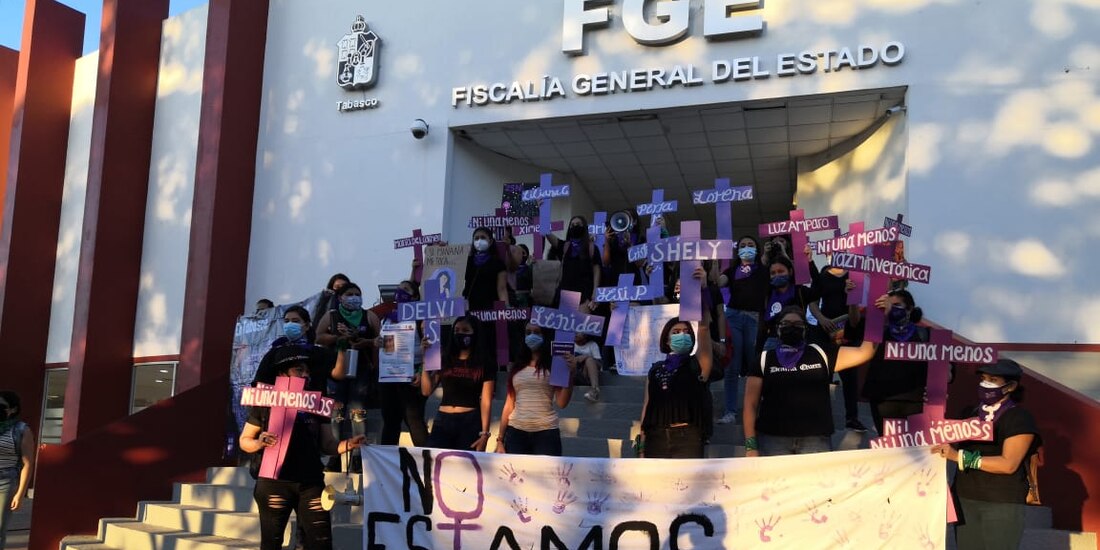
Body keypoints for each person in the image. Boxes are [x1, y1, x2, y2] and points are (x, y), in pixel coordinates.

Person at [239, 347, 365, 550]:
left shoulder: (318, 404)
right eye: (299, 370)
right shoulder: (265, 403)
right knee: (271, 545)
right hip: (274, 483)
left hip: (311, 482)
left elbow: (328, 445)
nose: (305, 375)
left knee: (321, 543)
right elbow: (245, 440)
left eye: (307, 371)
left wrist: (349, 444)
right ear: (282, 373)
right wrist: (259, 442)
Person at [931, 359, 1041, 550]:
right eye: (983, 378)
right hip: (965, 499)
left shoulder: (1019, 417)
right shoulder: (969, 412)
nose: (985, 384)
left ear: (1011, 386)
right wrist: (931, 403)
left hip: (1001, 502)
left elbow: (1009, 464)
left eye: (993, 380)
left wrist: (960, 457)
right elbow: (941, 439)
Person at [743, 306, 877, 456]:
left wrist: (877, 315)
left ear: (805, 329)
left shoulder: (821, 353)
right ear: (778, 329)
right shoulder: (764, 359)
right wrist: (750, 446)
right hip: (773, 440)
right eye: (786, 324)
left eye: (797, 325)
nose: (791, 328)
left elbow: (865, 352)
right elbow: (750, 405)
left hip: (815, 440)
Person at [636, 266, 714, 458]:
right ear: (667, 340)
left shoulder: (697, 365)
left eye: (686, 332)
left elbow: (704, 327)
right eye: (676, 332)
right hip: (655, 439)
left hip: (687, 440)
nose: (682, 335)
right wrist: (641, 445)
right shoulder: (655, 370)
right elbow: (647, 405)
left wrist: (703, 289)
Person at [315, 283, 382, 470]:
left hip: (362, 369)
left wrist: (366, 342)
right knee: (336, 412)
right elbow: (318, 337)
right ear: (340, 298)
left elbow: (381, 341)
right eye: (349, 294)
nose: (354, 297)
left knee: (358, 411)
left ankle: (359, 457)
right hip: (337, 369)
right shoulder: (332, 316)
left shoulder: (369, 316)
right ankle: (335, 455)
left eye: (357, 294)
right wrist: (338, 338)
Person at [494, 323, 576, 456]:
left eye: (537, 332)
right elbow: (509, 404)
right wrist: (500, 439)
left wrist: (570, 375)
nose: (531, 336)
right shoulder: (517, 367)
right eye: (528, 332)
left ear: (545, 335)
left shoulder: (554, 365)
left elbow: (562, 402)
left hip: (546, 433)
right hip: (516, 432)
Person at [809, 257, 867, 432]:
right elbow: (812, 303)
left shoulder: (854, 277)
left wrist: (852, 298)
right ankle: (818, 416)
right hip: (824, 330)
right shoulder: (822, 276)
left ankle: (852, 418)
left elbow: (856, 319)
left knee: (850, 377)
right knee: (820, 375)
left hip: (848, 332)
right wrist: (822, 319)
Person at [420, 315, 495, 451]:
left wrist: (485, 433)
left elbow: (486, 400)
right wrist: (425, 360)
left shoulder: (484, 362)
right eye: (457, 330)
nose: (460, 333)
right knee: (435, 461)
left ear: (475, 333)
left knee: (467, 463)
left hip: (470, 421)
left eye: (465, 330)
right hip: (443, 420)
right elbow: (426, 390)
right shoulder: (445, 359)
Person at [714, 235, 768, 425]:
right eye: (743, 245)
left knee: (754, 364)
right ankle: (730, 411)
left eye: (750, 244)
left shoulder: (763, 270)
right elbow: (718, 282)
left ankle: (757, 409)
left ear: (757, 249)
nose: (746, 247)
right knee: (732, 366)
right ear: (738, 251)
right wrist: (715, 260)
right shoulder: (732, 270)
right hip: (733, 317)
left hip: (754, 318)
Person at [861, 289, 930, 435]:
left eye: (896, 305)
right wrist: (881, 316)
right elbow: (865, 350)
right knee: (887, 444)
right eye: (888, 305)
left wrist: (938, 387)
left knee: (913, 445)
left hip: (915, 401)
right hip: (883, 399)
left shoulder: (925, 334)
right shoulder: (880, 331)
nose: (891, 309)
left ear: (909, 309)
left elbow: (946, 368)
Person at [378, 280, 429, 447]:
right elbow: (385, 347)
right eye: (399, 288)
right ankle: (387, 460)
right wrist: (377, 342)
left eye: (406, 289)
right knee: (390, 421)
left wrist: (421, 371)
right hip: (389, 376)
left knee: (413, 419)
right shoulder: (387, 318)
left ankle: (427, 458)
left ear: (414, 296)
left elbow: (430, 348)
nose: (400, 291)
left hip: (411, 375)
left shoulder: (421, 319)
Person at [462, 227, 509, 371]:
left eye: (483, 237)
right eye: (476, 238)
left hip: (490, 311)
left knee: (489, 344)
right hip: (470, 310)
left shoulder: (498, 263)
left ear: (491, 241)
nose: (479, 241)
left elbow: (502, 288)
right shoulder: (466, 262)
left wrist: (506, 309)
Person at [757, 256, 823, 352]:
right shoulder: (767, 294)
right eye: (773, 273)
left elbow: (818, 290)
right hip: (773, 342)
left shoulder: (800, 291)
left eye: (781, 271)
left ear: (790, 272)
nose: (777, 275)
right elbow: (762, 325)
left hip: (798, 341)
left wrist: (810, 263)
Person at [544, 215, 602, 312]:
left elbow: (597, 270)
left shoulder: (592, 248)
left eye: (578, 224)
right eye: (572, 225)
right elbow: (547, 233)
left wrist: (595, 293)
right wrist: (542, 211)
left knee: (580, 321)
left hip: (584, 297)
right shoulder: (565, 246)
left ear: (584, 227)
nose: (575, 226)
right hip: (565, 295)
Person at [0, 391, 34, 550]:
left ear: (13, 409)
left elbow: (27, 464)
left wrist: (20, 494)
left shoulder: (21, 430)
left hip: (5, 483)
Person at [572, 332, 603, 402]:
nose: (575, 333)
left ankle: (595, 390)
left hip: (586, 375)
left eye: (578, 331)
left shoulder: (592, 345)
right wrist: (576, 359)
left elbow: (599, 365)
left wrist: (586, 357)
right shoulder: (570, 344)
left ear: (585, 334)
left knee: (589, 360)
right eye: (574, 331)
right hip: (573, 375)